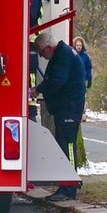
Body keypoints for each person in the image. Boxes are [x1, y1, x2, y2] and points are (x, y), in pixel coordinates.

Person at [32, 32, 86, 201]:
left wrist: (38, 89)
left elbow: (57, 81)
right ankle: (66, 185)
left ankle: (69, 187)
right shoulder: (64, 53)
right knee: (63, 144)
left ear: (49, 48)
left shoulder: (63, 56)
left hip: (69, 108)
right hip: (66, 108)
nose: (43, 57)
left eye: (42, 53)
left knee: (67, 145)